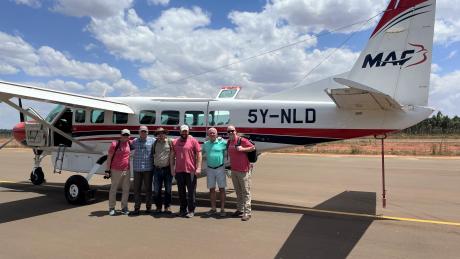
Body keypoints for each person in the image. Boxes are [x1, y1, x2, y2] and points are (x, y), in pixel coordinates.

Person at [170, 125, 202, 218]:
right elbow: (172, 156)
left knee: (191, 192)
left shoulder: (193, 141)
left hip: (191, 171)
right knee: (181, 192)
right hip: (179, 171)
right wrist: (172, 169)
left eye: (186, 131)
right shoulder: (175, 142)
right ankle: (182, 210)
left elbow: (199, 154)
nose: (184, 133)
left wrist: (199, 167)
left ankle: (191, 210)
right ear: (180, 131)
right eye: (183, 131)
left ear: (188, 131)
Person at [226, 125, 255, 221]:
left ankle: (247, 212)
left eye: (232, 131)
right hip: (234, 170)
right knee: (238, 192)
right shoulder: (229, 141)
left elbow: (252, 147)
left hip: (243, 170)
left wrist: (243, 149)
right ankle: (240, 209)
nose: (230, 133)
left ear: (236, 131)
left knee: (246, 191)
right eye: (229, 131)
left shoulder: (241, 140)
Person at [106, 129, 133, 216]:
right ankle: (111, 208)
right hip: (115, 170)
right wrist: (107, 170)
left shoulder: (129, 143)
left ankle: (124, 207)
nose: (125, 136)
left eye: (127, 135)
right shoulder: (115, 144)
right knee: (114, 188)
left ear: (129, 136)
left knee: (126, 189)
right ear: (120, 135)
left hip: (127, 169)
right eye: (124, 134)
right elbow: (109, 157)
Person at [130, 125, 155, 216]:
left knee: (148, 189)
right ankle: (137, 207)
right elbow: (126, 146)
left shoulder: (153, 141)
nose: (143, 133)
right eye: (142, 131)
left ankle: (148, 207)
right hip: (137, 169)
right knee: (137, 189)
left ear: (147, 132)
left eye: (145, 131)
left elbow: (162, 143)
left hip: (148, 168)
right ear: (139, 132)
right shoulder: (134, 141)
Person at [202, 127, 227, 217]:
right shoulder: (205, 144)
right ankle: (213, 209)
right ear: (208, 135)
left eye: (214, 133)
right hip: (210, 169)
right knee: (211, 189)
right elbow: (200, 153)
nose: (212, 134)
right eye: (210, 133)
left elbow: (231, 146)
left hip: (220, 168)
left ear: (217, 134)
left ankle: (222, 209)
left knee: (222, 189)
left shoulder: (223, 143)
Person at [152, 127, 173, 214]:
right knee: (157, 190)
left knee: (168, 189)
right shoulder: (154, 143)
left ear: (165, 134)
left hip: (167, 169)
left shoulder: (170, 142)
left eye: (162, 133)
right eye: (158, 134)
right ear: (157, 135)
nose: (160, 135)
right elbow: (152, 155)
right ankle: (158, 207)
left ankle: (167, 207)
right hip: (157, 169)